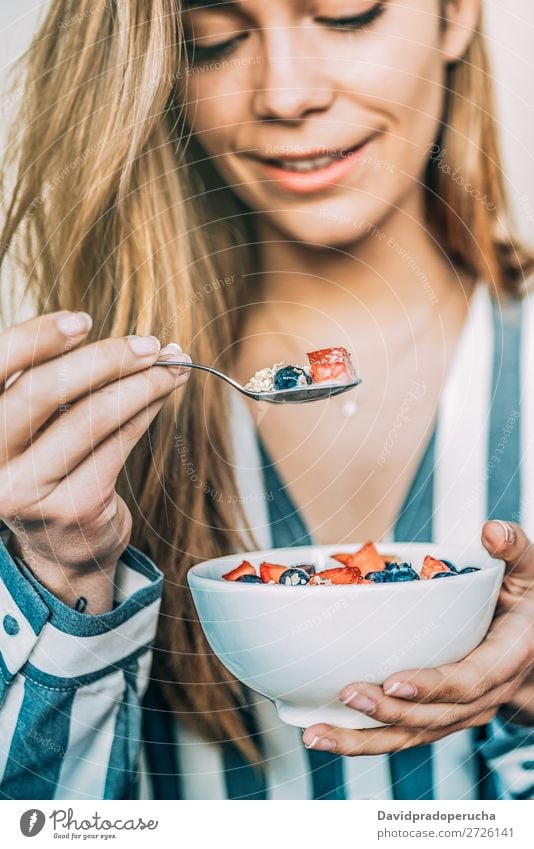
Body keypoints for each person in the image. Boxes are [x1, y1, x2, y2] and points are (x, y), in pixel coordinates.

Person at [1, 0, 534, 800]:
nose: (286, 95)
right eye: (211, 39)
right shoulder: (60, 447)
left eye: (348, 14)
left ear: (456, 13)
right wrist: (55, 581)